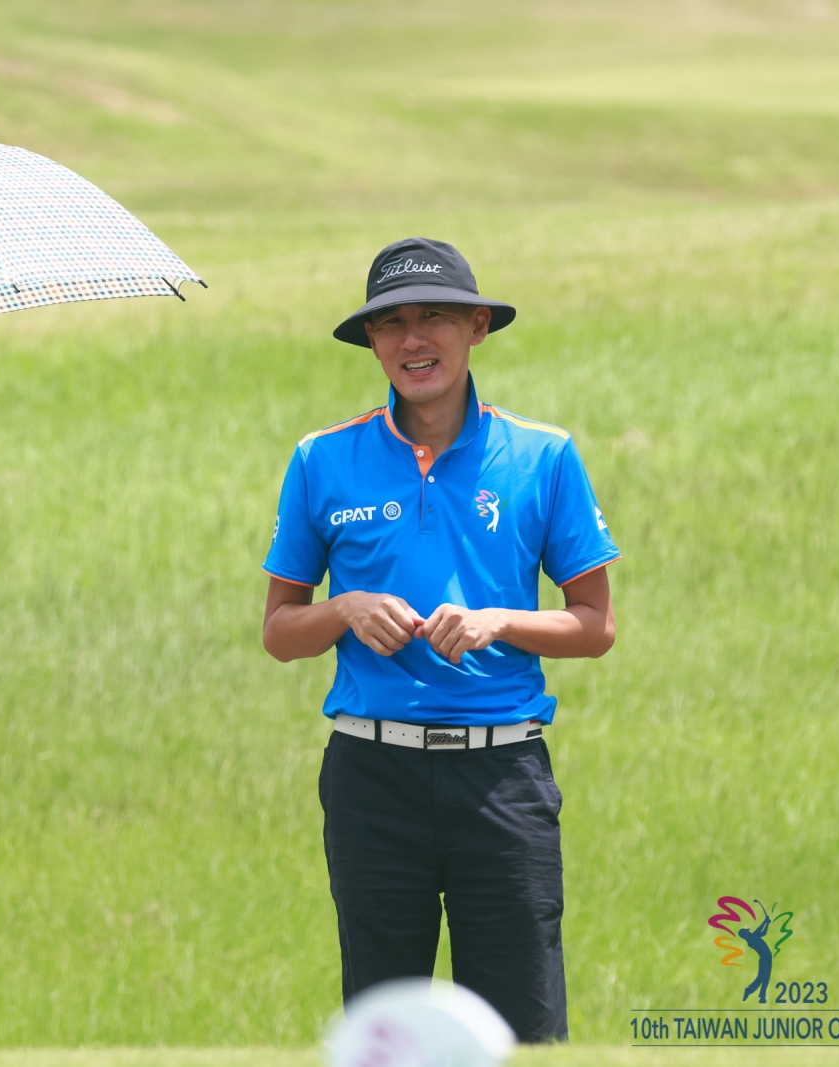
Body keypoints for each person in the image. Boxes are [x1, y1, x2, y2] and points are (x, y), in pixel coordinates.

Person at [260, 239, 619, 1042]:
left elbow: (595, 625)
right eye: (391, 324)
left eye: (435, 318)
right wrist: (345, 606)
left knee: (525, 1024)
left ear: (477, 327)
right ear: (373, 343)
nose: (412, 340)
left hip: (503, 778)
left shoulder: (543, 455)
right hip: (371, 777)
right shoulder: (322, 459)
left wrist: (500, 621)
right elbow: (281, 632)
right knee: (385, 1029)